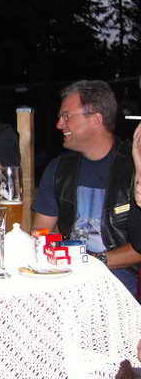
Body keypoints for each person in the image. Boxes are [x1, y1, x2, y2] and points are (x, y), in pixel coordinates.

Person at [32, 80, 141, 296]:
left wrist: (91, 260)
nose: (59, 124)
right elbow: (40, 233)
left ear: (96, 119)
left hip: (121, 282)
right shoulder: (59, 169)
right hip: (69, 278)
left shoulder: (135, 168)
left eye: (66, 116)